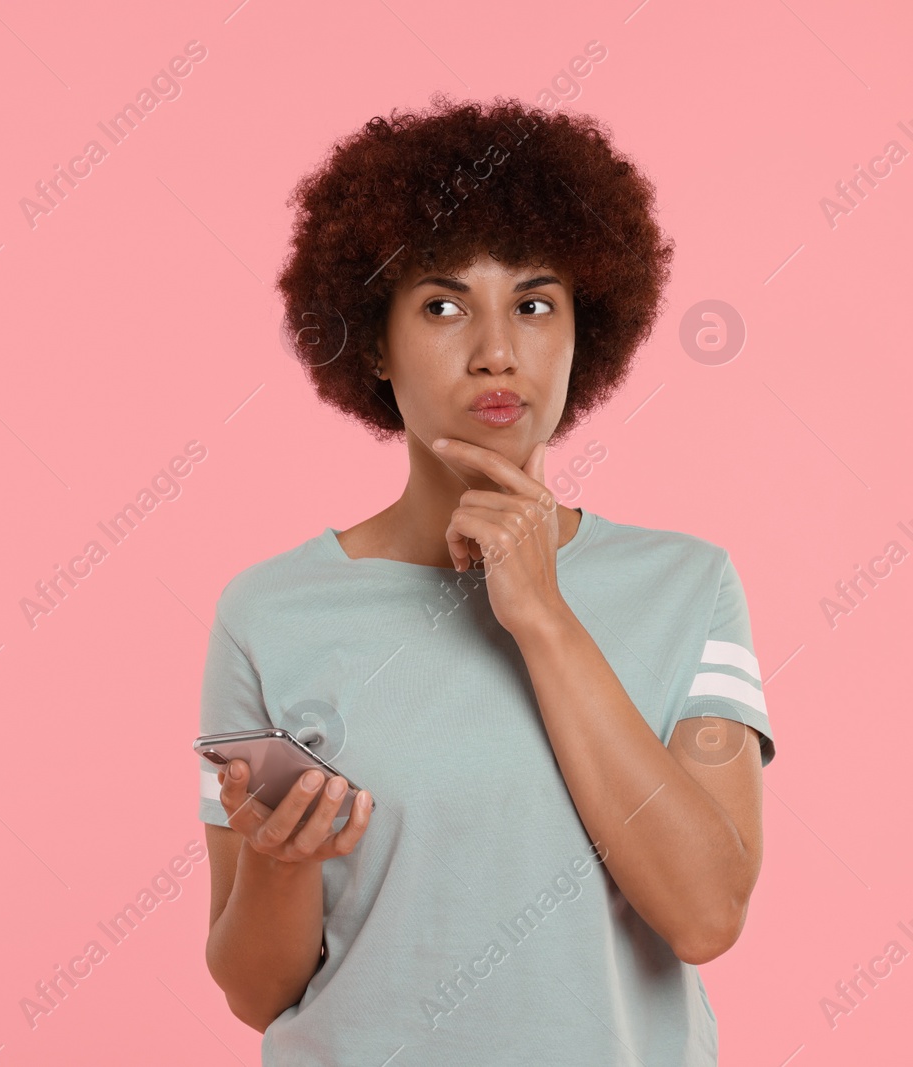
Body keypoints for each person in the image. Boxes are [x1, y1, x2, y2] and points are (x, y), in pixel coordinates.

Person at [197, 95, 774, 1066]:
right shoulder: (268, 613)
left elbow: (704, 913)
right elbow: (259, 991)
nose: (496, 348)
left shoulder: (689, 587)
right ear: (374, 342)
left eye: (533, 304)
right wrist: (278, 860)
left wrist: (542, 614)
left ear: (579, 333)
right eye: (442, 304)